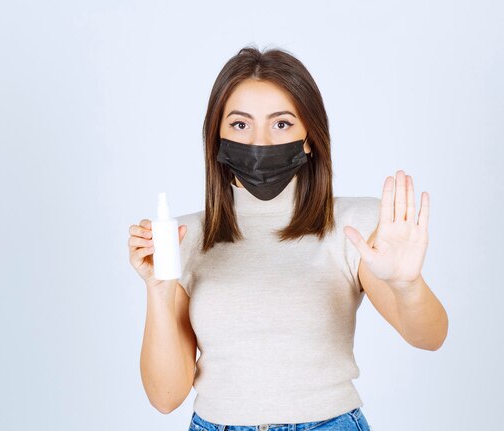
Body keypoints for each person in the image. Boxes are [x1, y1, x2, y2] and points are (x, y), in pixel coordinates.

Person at [128, 46, 448, 431]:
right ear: (216, 138)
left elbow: (430, 338)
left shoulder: (352, 226)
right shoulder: (182, 238)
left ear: (310, 137)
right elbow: (165, 398)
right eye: (240, 125)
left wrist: (406, 284)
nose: (260, 142)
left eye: (281, 124)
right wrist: (160, 289)